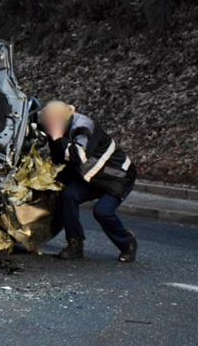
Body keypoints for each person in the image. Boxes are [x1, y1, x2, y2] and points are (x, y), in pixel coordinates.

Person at [40, 101, 138, 262]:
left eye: (50, 123)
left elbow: (79, 156)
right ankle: (75, 245)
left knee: (102, 212)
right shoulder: (57, 127)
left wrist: (57, 137)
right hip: (90, 177)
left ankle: (127, 243)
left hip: (117, 177)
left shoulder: (84, 127)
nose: (47, 127)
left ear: (60, 120)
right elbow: (59, 157)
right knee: (68, 195)